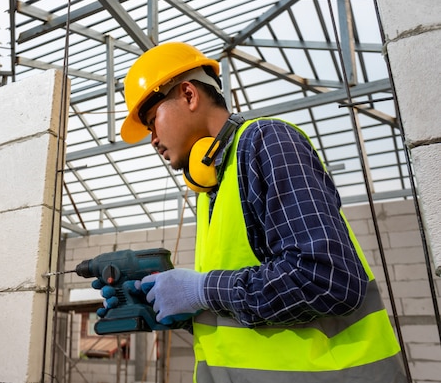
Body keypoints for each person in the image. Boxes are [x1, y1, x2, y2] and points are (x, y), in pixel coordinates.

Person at [99, 42, 407, 382]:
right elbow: (254, 311)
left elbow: (328, 278)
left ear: (188, 94)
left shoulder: (267, 141)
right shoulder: (211, 187)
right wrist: (179, 308)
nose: (152, 139)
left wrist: (201, 291)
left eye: (151, 120)